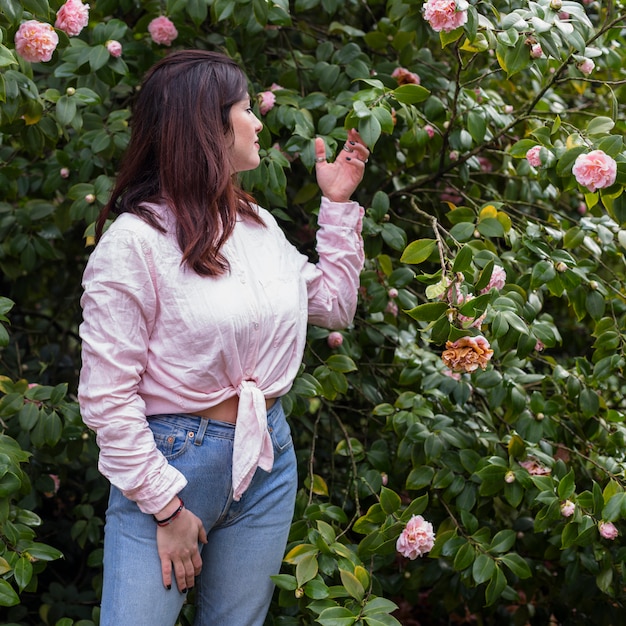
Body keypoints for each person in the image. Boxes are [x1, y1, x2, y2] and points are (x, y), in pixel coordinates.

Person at [77, 49, 369, 626]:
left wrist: (337, 206)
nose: (258, 121)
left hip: (267, 458)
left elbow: (334, 307)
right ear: (205, 127)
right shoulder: (133, 244)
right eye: (244, 108)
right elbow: (106, 399)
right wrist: (165, 508)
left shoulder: (257, 226)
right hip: (170, 466)